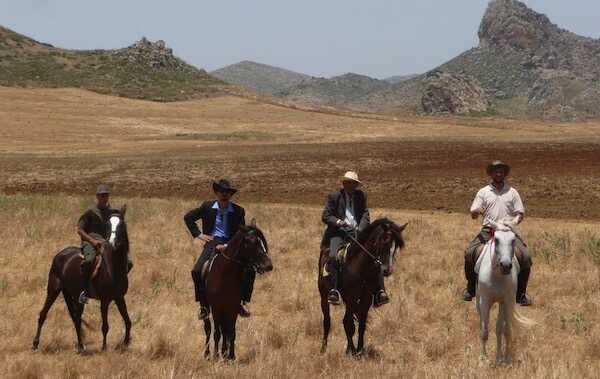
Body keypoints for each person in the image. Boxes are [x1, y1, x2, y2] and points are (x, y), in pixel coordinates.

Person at [463, 161, 533, 306]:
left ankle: (521, 295)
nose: (499, 174)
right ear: (491, 174)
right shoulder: (483, 192)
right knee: (469, 253)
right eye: (496, 171)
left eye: (501, 171)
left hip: (508, 231)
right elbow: (473, 213)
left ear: (505, 174)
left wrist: (515, 221)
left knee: (525, 257)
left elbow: (520, 213)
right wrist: (478, 211)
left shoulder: (512, 192)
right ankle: (470, 289)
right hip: (489, 230)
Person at [184, 179, 252, 320]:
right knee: (196, 271)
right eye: (221, 192)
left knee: (249, 270)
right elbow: (188, 217)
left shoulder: (239, 211)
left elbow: (242, 233)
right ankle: (203, 306)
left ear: (230, 195)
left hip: (232, 244)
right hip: (212, 243)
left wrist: (228, 246)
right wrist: (199, 234)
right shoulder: (207, 207)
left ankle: (242, 302)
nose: (224, 195)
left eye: (227, 192)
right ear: (216, 193)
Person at [321, 171, 389, 307]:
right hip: (339, 233)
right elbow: (326, 216)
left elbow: (365, 213)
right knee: (334, 256)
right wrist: (339, 222)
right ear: (344, 183)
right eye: (348, 182)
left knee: (375, 257)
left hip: (358, 233)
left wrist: (361, 228)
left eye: (354, 183)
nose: (351, 186)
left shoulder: (361, 196)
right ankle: (334, 290)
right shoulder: (334, 197)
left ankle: (380, 292)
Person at [77, 184, 121, 304]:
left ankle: (116, 288)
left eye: (106, 195)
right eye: (102, 195)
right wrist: (92, 241)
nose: (104, 197)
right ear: (97, 196)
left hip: (106, 243)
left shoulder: (112, 212)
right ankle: (84, 291)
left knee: (127, 262)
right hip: (90, 242)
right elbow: (79, 230)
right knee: (89, 260)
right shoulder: (90, 212)